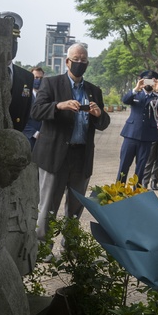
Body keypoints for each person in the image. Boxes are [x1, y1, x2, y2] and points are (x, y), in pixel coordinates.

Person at [31, 43, 111, 243]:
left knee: (75, 209)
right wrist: (59, 106)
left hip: (81, 157)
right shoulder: (51, 84)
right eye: (76, 59)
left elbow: (103, 123)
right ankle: (43, 248)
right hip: (54, 156)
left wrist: (98, 114)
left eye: (84, 60)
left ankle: (71, 247)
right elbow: (36, 111)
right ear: (67, 62)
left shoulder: (93, 90)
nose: (80, 63)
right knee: (47, 206)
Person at [118, 70, 158, 185]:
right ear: (142, 81)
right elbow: (125, 100)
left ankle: (137, 193)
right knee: (124, 166)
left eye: (152, 81)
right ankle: (118, 192)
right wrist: (136, 88)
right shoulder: (136, 94)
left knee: (141, 167)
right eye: (146, 81)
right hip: (131, 134)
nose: (148, 84)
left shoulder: (157, 96)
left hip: (147, 137)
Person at [1, 11, 35, 133]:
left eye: (15, 40)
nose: (12, 45)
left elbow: (25, 111)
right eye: (8, 40)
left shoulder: (27, 77)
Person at [22, 67, 45, 149]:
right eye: (36, 77)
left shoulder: (47, 96)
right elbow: (21, 118)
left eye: (41, 78)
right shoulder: (25, 94)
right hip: (29, 138)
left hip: (44, 139)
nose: (38, 80)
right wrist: (35, 133)